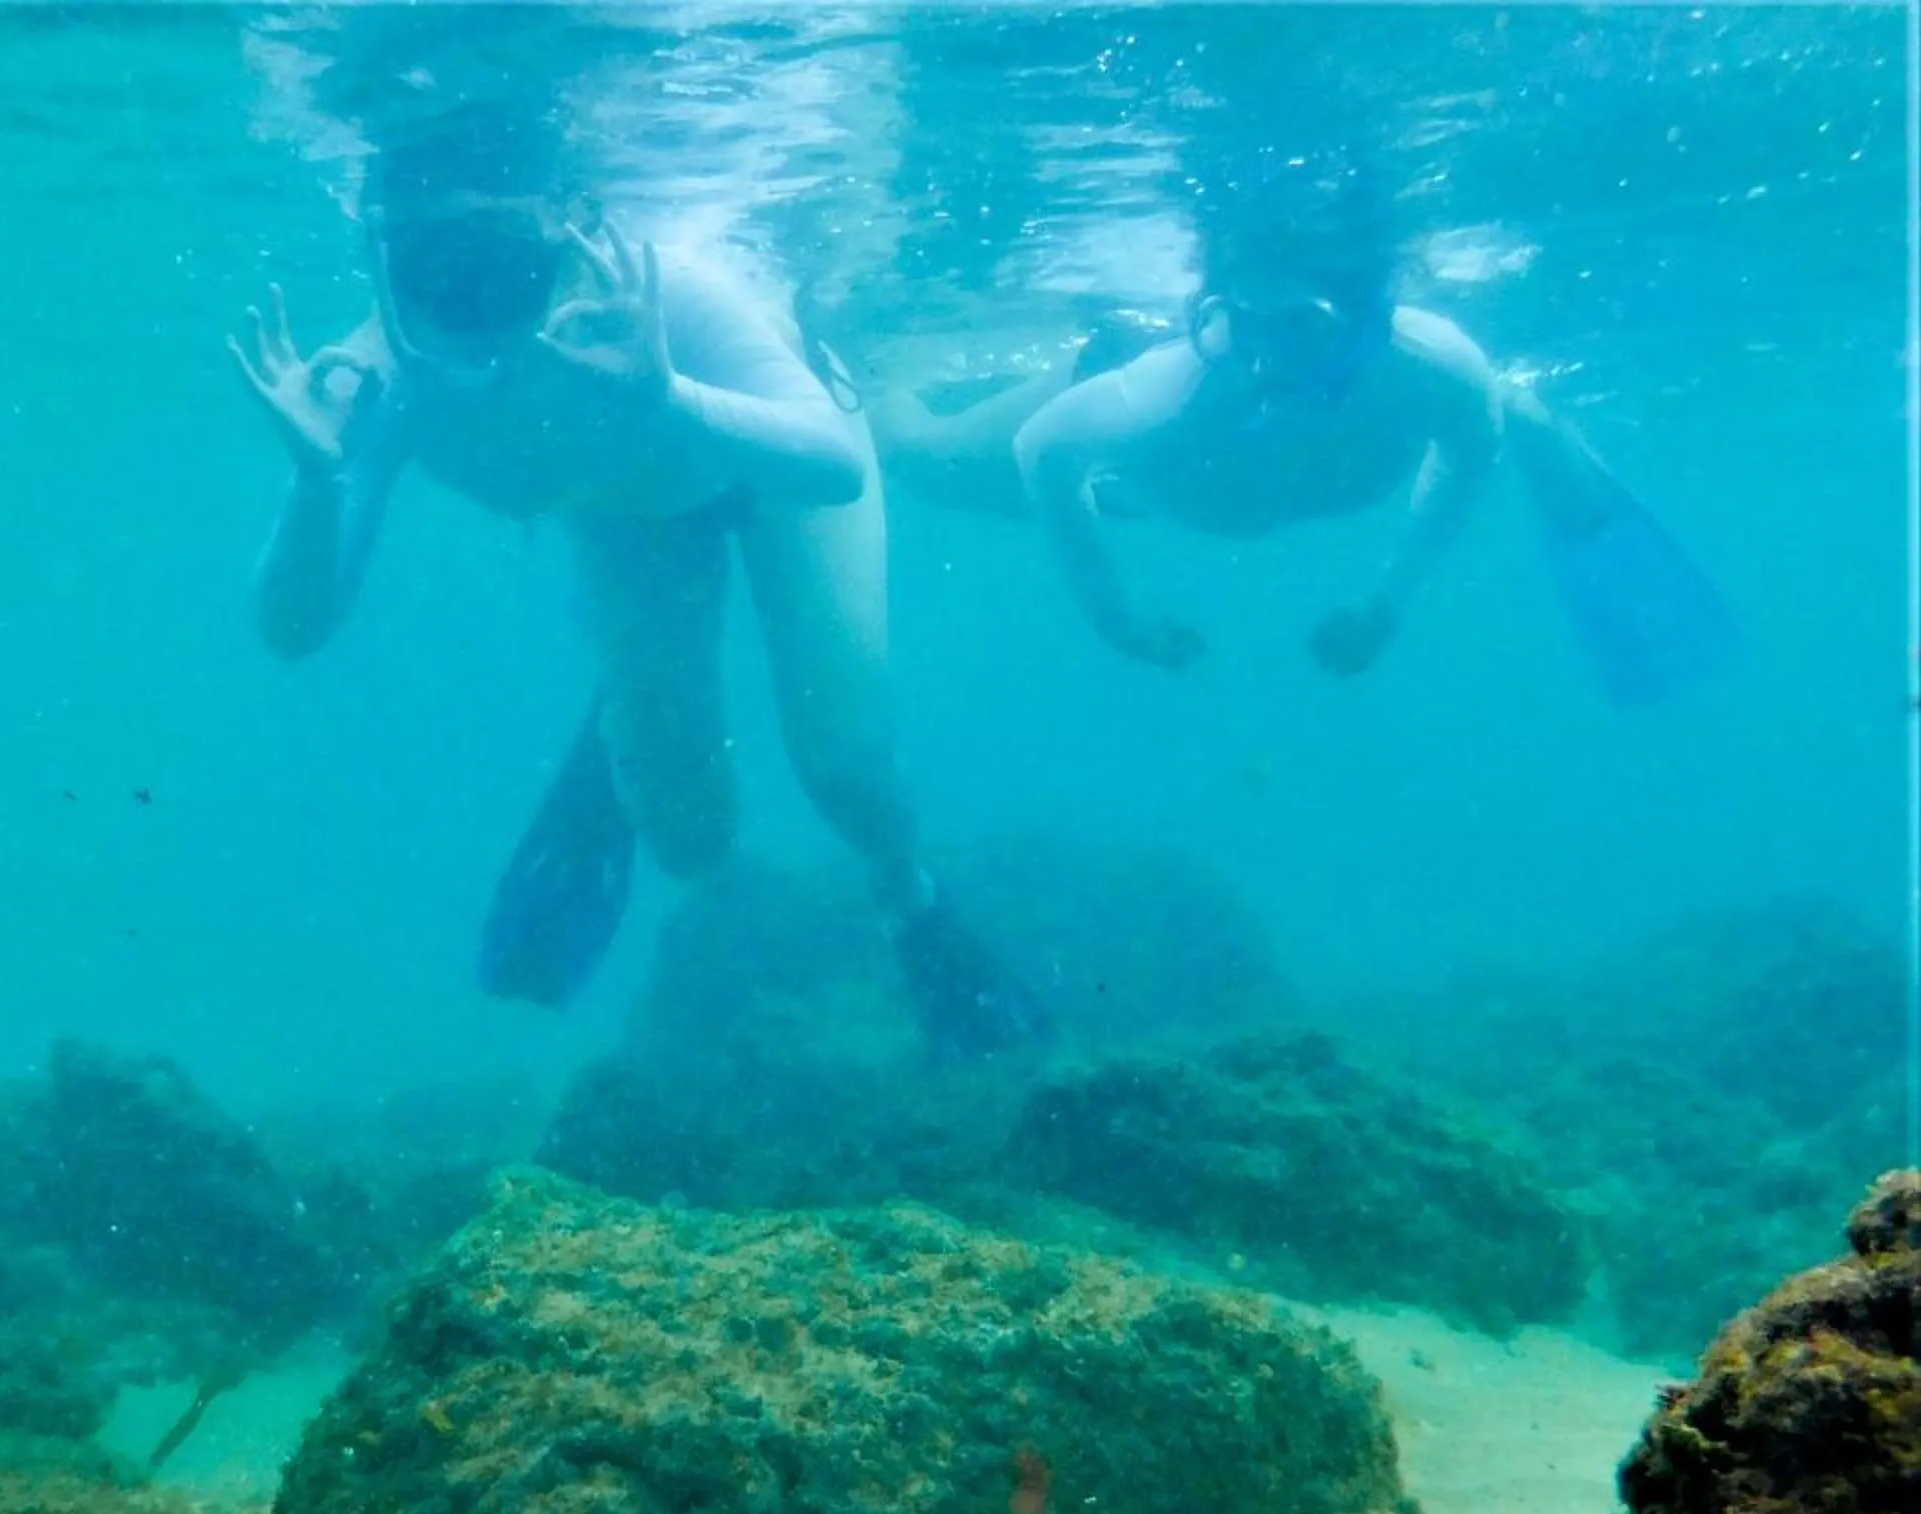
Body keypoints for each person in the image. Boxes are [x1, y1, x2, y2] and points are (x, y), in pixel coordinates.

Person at [230, 104, 1048, 1055]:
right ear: (379, 253)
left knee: (846, 766)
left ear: (568, 232)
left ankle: (910, 898)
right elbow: (295, 631)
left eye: (503, 255)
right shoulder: (378, 376)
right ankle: (625, 714)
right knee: (690, 842)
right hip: (628, 513)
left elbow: (832, 464)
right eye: (435, 265)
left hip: (765, 463)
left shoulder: (671, 294)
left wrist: (668, 398)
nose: (474, 300)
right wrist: (315, 485)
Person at [871, 159, 1731, 703]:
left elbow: (1469, 456)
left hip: (1207, 470)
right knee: (918, 459)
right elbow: (1041, 451)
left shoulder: (1436, 370)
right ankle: (868, 380)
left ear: (1367, 315)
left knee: (1497, 407)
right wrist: (1113, 621)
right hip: (1129, 456)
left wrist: (1388, 603)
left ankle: (1533, 416)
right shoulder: (1173, 385)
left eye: (1300, 329)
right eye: (1242, 322)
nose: (1265, 362)